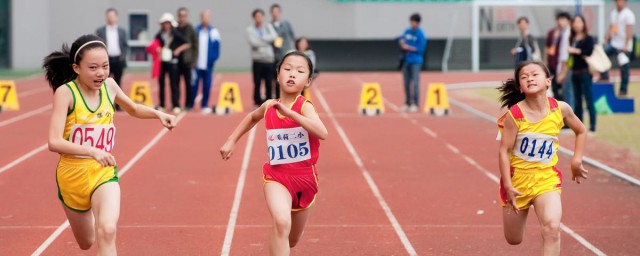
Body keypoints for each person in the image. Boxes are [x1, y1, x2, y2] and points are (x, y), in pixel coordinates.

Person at [43, 34, 176, 254]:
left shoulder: (110, 86)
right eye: (93, 67)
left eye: (105, 66)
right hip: (72, 176)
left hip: (103, 172)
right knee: (86, 242)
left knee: (107, 229)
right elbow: (54, 141)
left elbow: (133, 108)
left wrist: (158, 114)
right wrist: (92, 150)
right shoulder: (66, 93)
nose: (101, 73)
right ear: (76, 68)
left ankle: (101, 209)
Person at [220, 51, 327, 255]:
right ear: (278, 75)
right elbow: (252, 118)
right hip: (277, 177)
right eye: (287, 69)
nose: (292, 74)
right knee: (281, 222)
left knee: (291, 240)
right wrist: (231, 140)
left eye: (299, 71)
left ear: (308, 81)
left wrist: (291, 114)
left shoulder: (304, 107)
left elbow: (322, 132)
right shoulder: (269, 105)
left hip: (306, 180)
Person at [497, 60, 588, 256]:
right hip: (517, 180)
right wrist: (508, 186)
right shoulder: (515, 115)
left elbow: (581, 131)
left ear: (548, 81)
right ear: (520, 87)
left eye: (534, 74)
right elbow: (503, 151)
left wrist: (576, 160)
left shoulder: (561, 109)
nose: (529, 78)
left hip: (546, 179)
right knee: (513, 239)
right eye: (524, 76)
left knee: (552, 228)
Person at [155, 12, 190, 114]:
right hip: (162, 62)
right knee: (161, 83)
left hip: (173, 62)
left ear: (171, 24)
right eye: (164, 23)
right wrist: (158, 49)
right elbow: (155, 44)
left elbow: (187, 43)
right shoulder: (159, 34)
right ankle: (162, 104)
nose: (166, 25)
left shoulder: (175, 34)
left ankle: (176, 104)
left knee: (174, 83)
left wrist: (178, 50)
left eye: (168, 23)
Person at [600, 0, 635, 97]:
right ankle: (604, 77)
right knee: (602, 54)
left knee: (624, 68)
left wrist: (626, 45)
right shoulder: (613, 13)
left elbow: (629, 31)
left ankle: (623, 90)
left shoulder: (628, 14)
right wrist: (605, 39)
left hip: (624, 46)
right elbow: (611, 28)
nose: (619, 3)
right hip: (614, 43)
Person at [568, 15, 597, 133]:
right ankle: (579, 127)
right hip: (574, 73)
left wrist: (575, 51)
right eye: (574, 22)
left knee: (589, 99)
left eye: (579, 22)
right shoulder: (572, 39)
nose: (576, 24)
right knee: (577, 101)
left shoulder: (588, 38)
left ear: (584, 24)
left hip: (585, 73)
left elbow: (589, 52)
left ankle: (592, 126)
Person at [96, 8, 128, 111]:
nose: (110, 18)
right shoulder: (100, 31)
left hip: (119, 60)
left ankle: (118, 105)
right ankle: (105, 104)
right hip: (106, 61)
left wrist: (123, 55)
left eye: (112, 16)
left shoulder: (122, 31)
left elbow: (125, 45)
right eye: (109, 16)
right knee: (103, 83)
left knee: (118, 83)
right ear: (106, 17)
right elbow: (97, 45)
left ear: (116, 17)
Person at [247, 9, 278, 108]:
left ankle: (269, 101)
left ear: (263, 17)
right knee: (257, 82)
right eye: (256, 16)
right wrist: (266, 42)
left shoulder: (268, 27)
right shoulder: (250, 30)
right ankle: (257, 102)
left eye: (260, 16)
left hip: (269, 60)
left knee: (269, 82)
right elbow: (253, 43)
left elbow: (274, 36)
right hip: (257, 60)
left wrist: (261, 39)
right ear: (254, 18)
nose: (258, 18)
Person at [192, 10, 221, 114]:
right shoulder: (196, 30)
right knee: (194, 84)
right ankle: (191, 104)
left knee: (207, 85)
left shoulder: (214, 31)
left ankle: (204, 104)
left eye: (207, 17)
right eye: (204, 17)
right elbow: (192, 46)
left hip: (208, 64)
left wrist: (213, 59)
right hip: (197, 64)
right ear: (201, 18)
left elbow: (217, 47)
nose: (205, 19)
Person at [398, 13, 427, 113]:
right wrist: (401, 42)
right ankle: (407, 103)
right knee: (406, 83)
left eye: (414, 22)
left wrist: (409, 47)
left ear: (418, 23)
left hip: (416, 62)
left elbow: (421, 49)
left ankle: (415, 103)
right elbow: (401, 38)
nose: (412, 24)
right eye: (411, 22)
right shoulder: (407, 31)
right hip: (406, 60)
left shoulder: (421, 34)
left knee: (415, 83)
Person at [270, 4, 296, 99]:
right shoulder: (270, 26)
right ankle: (278, 97)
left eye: (277, 11)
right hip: (276, 56)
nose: (275, 13)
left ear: (280, 12)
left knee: (290, 77)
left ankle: (291, 96)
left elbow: (293, 36)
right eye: (273, 12)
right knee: (277, 79)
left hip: (287, 55)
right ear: (271, 13)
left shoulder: (286, 24)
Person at [545, 12, 572, 102]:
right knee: (557, 89)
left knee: (567, 91)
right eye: (559, 20)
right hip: (555, 65)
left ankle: (567, 112)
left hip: (566, 66)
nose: (561, 22)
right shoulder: (554, 33)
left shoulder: (569, 34)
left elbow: (568, 56)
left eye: (564, 20)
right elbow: (548, 48)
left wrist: (564, 71)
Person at [176, 7, 198, 111]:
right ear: (178, 16)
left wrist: (194, 60)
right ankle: (176, 104)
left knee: (188, 83)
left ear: (187, 17)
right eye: (180, 16)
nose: (182, 18)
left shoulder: (191, 29)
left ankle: (189, 104)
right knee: (175, 83)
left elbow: (195, 45)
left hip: (187, 60)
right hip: (175, 60)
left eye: (184, 16)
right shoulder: (174, 28)